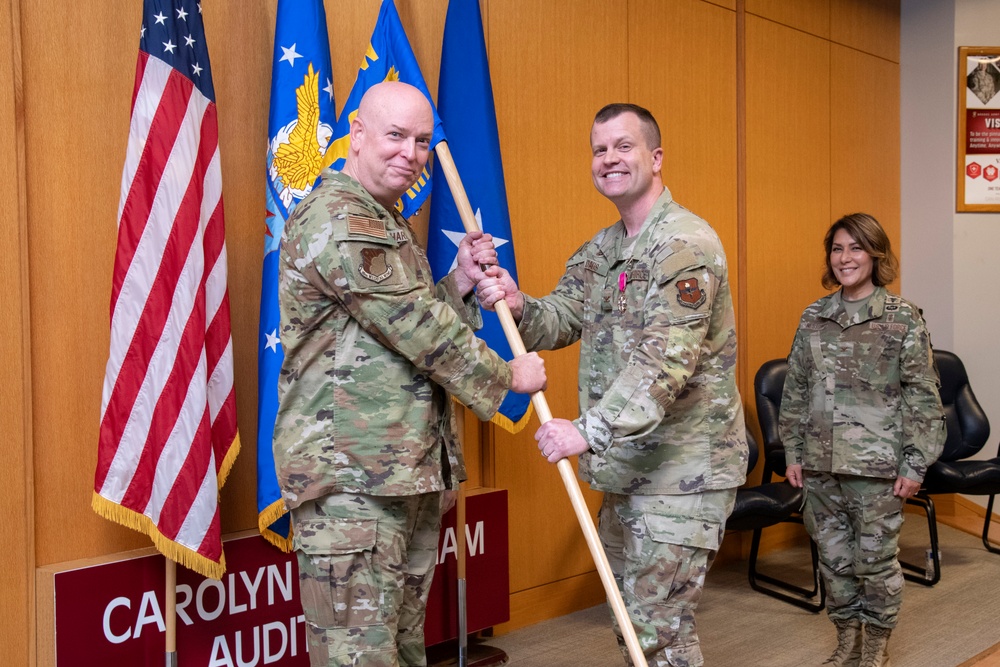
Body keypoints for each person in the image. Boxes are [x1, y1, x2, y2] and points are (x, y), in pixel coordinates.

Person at [273, 81, 547, 667]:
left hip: (400, 476)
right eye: (396, 136)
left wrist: (459, 282)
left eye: (422, 140)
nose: (412, 154)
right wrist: (507, 376)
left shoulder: (386, 222)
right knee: (359, 658)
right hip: (352, 485)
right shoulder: (340, 218)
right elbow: (418, 330)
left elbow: (394, 332)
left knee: (399, 651)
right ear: (358, 133)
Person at [477, 103, 748, 667]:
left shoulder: (685, 244)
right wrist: (520, 304)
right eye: (599, 149)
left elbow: (663, 365)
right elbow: (562, 317)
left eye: (623, 146)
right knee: (633, 626)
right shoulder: (603, 250)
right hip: (626, 470)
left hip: (681, 476)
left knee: (659, 631)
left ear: (655, 156)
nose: (609, 159)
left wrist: (586, 430)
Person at [778, 213, 946, 667]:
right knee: (833, 561)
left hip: (877, 468)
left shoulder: (901, 318)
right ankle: (847, 639)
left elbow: (923, 398)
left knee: (874, 562)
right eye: (837, 249)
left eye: (855, 248)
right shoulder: (815, 315)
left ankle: (876, 644)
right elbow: (795, 387)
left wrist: (916, 464)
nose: (845, 258)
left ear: (875, 255)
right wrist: (792, 451)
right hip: (819, 463)